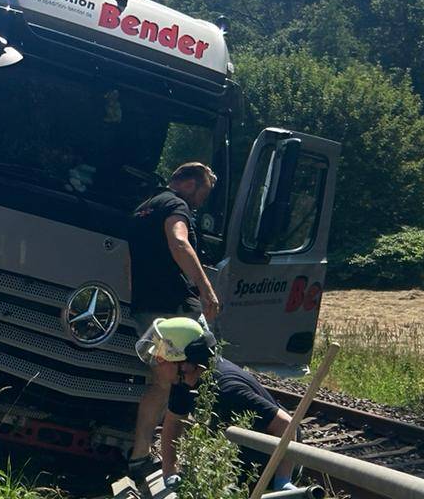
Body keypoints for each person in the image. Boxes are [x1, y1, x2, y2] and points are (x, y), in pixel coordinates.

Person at [127, 162, 222, 486]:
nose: (201, 202)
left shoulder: (143, 208)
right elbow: (179, 242)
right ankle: (178, 464)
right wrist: (206, 290)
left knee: (160, 383)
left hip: (146, 308)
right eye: (203, 192)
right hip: (174, 309)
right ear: (191, 184)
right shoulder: (175, 205)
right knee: (189, 380)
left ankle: (141, 456)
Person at [138, 317, 301, 491]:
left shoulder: (226, 390)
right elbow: (174, 422)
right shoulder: (184, 381)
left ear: (185, 363)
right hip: (239, 456)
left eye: (161, 358)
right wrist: (170, 472)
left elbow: (286, 425)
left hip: (272, 461)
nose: (155, 364)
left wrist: (281, 480)